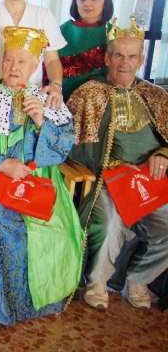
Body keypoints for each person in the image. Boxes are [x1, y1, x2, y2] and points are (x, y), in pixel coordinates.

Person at [0, 27, 83, 337]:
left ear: (35, 65)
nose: (13, 67)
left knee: (56, 227)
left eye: (22, 62)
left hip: (41, 182)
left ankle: (41, 302)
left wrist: (41, 121)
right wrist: (1, 163)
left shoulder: (49, 100)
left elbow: (63, 149)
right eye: (9, 60)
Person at [67, 16, 168, 311]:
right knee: (109, 223)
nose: (125, 63)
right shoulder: (88, 93)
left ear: (141, 60)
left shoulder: (157, 96)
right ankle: (97, 281)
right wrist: (111, 166)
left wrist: (163, 153)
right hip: (108, 180)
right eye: (119, 55)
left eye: (132, 56)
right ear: (107, 58)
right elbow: (71, 146)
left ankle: (139, 279)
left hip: (152, 180)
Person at [59, 0, 115, 99]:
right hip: (61, 102)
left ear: (105, 1)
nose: (87, 3)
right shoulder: (60, 31)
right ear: (75, 1)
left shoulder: (115, 34)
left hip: (103, 102)